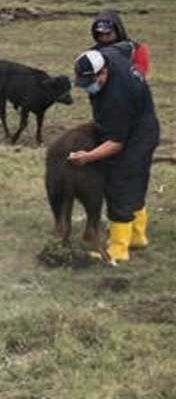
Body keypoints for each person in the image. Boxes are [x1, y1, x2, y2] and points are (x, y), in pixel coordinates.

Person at [68, 49, 160, 263]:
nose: (88, 87)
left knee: (119, 184)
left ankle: (118, 248)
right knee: (136, 182)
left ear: (103, 72)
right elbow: (128, 46)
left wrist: (88, 157)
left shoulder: (117, 98)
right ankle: (137, 236)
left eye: (91, 82)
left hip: (136, 138)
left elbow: (116, 144)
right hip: (145, 125)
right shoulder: (110, 56)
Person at [90, 9, 150, 80]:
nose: (104, 37)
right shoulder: (92, 53)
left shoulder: (135, 49)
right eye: (100, 34)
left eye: (108, 33)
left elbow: (140, 75)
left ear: (118, 31)